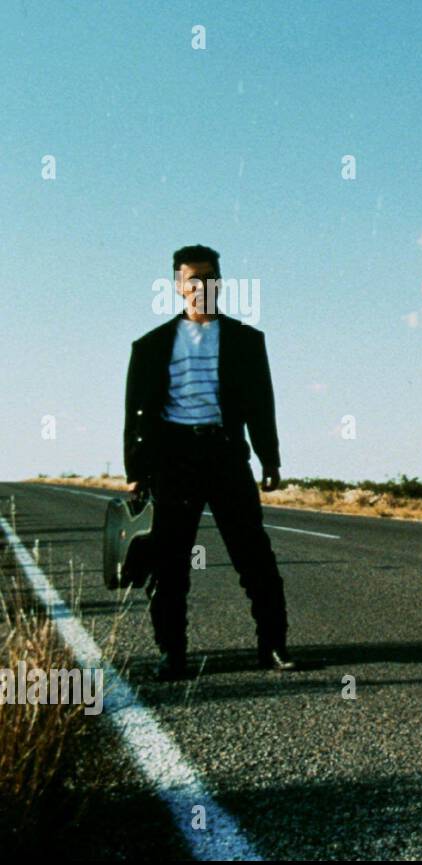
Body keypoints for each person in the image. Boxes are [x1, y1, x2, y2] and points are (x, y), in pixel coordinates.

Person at [123, 244, 297, 678]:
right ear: (178, 287)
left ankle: (272, 646)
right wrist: (135, 472)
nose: (201, 286)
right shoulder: (150, 345)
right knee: (169, 563)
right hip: (172, 459)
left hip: (225, 454)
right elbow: (135, 412)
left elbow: (261, 403)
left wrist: (269, 458)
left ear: (219, 282)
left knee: (254, 556)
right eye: (192, 279)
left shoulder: (245, 340)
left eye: (209, 277)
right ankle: (172, 653)